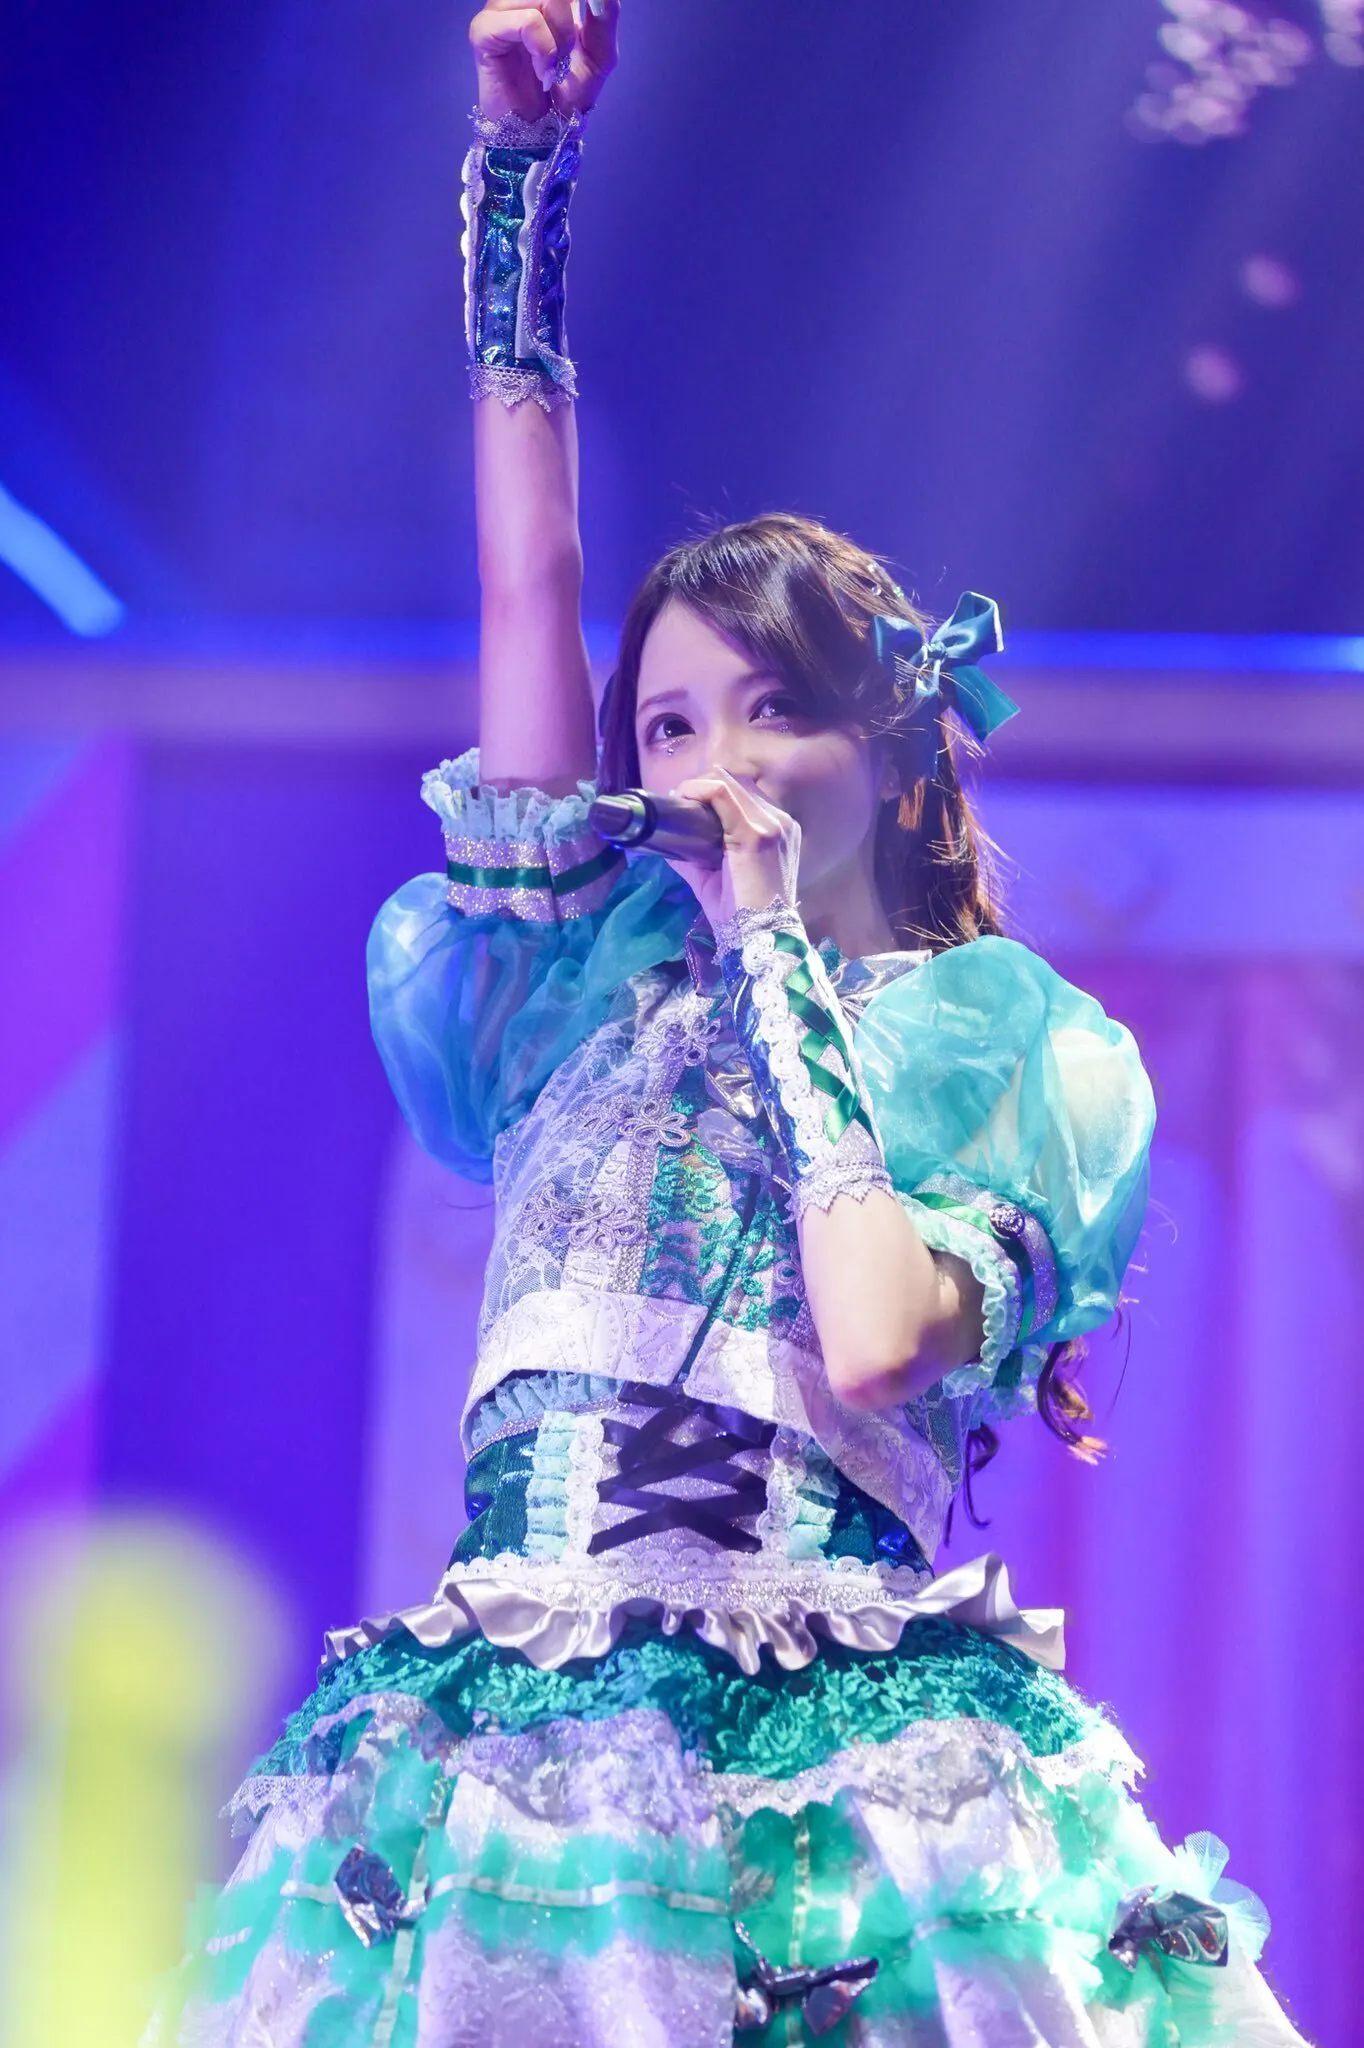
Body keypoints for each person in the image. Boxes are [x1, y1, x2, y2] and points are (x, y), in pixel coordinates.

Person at [153, 4, 1309, 2042]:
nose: (714, 761)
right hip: (511, 1752)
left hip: (832, 1766)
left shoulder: (998, 1046)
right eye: (671, 724)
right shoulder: (571, 987)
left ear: (892, 743)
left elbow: (875, 1339)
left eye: (774, 708)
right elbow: (527, 590)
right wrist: (521, 173)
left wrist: (772, 937)